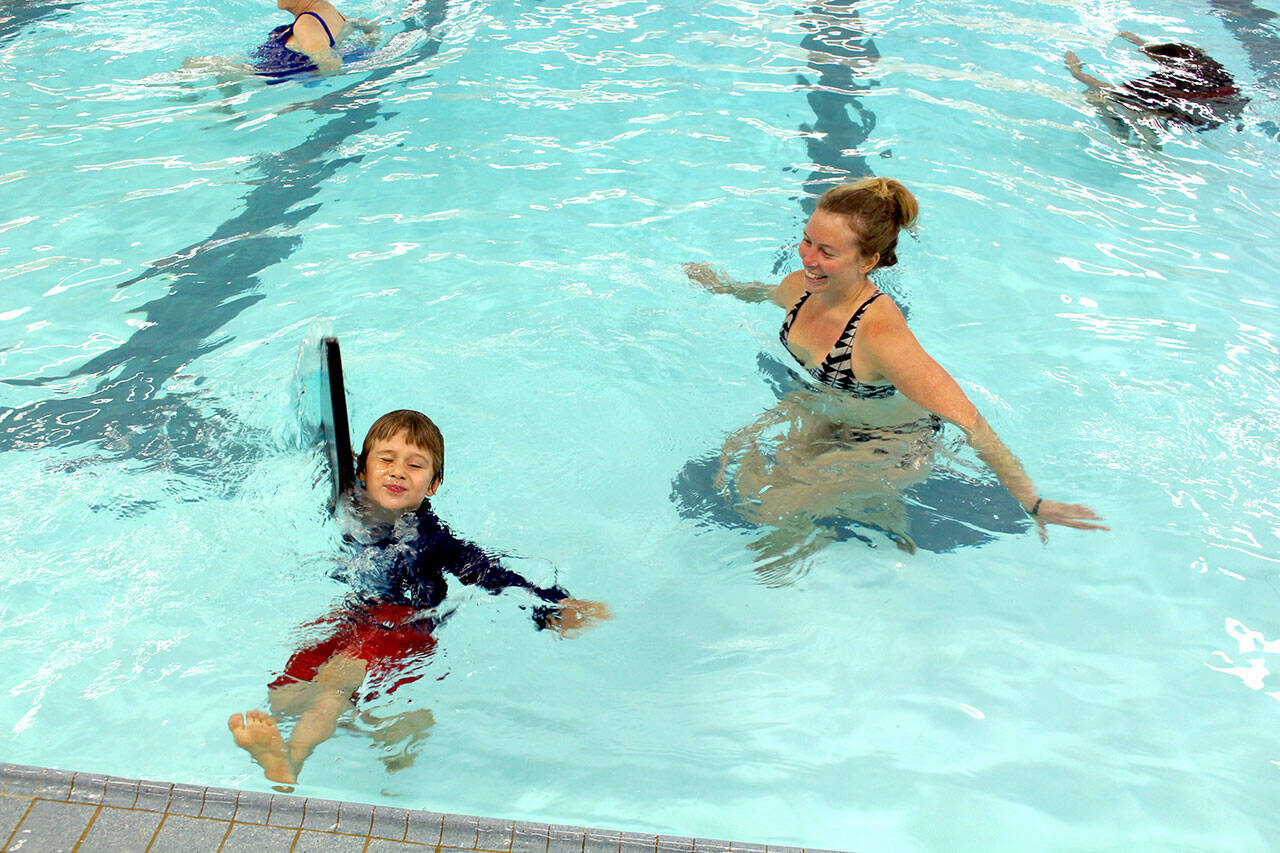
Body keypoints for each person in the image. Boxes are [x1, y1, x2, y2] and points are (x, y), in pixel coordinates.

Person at [685, 177, 1106, 557]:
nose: (808, 257)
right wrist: (721, 286)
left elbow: (973, 424)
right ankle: (852, 501)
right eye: (807, 240)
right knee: (738, 477)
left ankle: (858, 513)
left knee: (771, 508)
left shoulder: (881, 338)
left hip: (893, 441)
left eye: (826, 251)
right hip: (827, 407)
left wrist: (1031, 501)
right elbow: (764, 293)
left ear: (867, 261)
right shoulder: (800, 288)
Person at [228, 409, 610, 787]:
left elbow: (487, 572)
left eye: (415, 465)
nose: (397, 471)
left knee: (332, 684)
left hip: (403, 626)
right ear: (362, 471)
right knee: (286, 696)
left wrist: (552, 602)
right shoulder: (350, 510)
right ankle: (392, 731)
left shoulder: (429, 538)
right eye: (386, 460)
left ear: (433, 484)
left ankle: (291, 761)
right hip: (357, 617)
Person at [1064, 32, 1247, 145]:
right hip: (1235, 106)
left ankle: (1124, 133)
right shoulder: (1206, 65)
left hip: (1200, 117)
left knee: (1096, 96)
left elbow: (1107, 87)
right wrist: (1136, 41)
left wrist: (1075, 70)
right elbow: (1168, 54)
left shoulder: (1163, 83)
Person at [184, 0, 379, 81]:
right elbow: (371, 27)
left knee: (194, 64)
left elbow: (331, 66)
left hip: (268, 78)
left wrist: (302, 96)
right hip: (269, 67)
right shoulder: (330, 11)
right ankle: (226, 107)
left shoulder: (306, 23)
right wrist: (368, 47)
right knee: (227, 64)